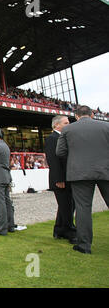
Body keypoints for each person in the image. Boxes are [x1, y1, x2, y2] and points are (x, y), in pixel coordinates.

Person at [56, 105, 109, 254]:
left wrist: (76, 159)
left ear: (76, 116)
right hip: (105, 170)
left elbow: (60, 152)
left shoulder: (67, 129)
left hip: (79, 173)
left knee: (83, 208)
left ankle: (84, 245)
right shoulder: (106, 126)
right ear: (92, 114)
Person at [44, 115, 77, 244]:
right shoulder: (52, 138)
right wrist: (59, 179)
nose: (68, 124)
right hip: (60, 178)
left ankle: (59, 230)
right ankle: (71, 232)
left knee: (66, 205)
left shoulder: (64, 137)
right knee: (67, 206)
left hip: (68, 177)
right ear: (56, 125)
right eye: (66, 123)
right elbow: (53, 160)